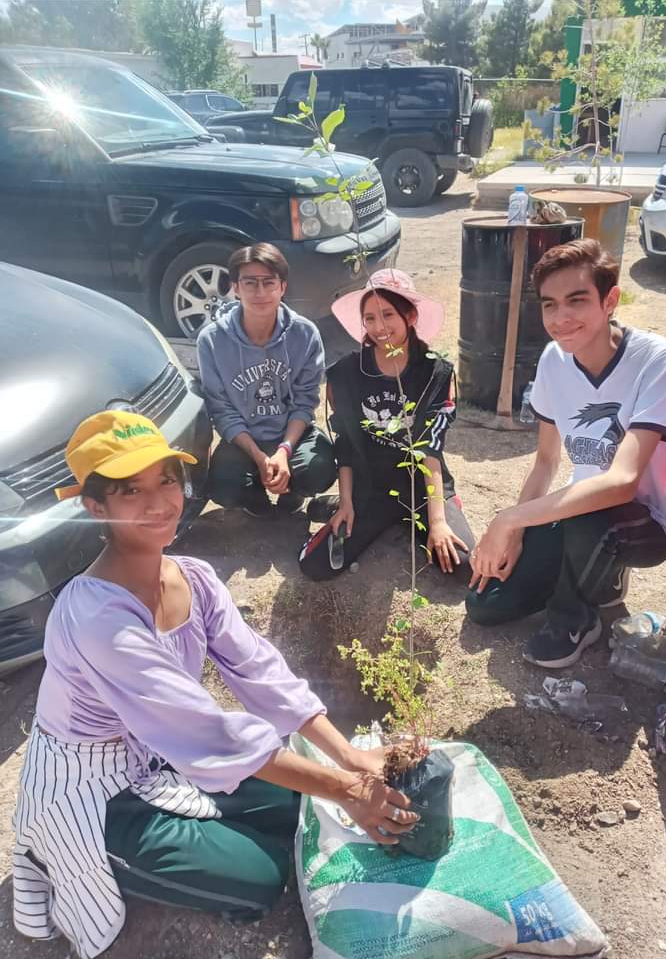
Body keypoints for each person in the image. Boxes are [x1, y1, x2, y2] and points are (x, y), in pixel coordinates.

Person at [12, 411, 417, 959]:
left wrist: (348, 758)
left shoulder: (193, 579)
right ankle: (72, 857)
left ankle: (212, 828)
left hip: (163, 755)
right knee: (258, 880)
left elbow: (258, 670)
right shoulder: (96, 618)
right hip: (95, 790)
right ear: (95, 507)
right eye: (132, 490)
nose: (160, 502)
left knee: (297, 811)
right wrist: (348, 790)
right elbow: (208, 734)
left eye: (167, 480)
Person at [466, 239, 666, 668]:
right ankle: (595, 578)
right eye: (550, 305)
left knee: (592, 509)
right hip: (580, 511)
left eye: (577, 300)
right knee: (485, 603)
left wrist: (509, 519)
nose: (561, 318)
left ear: (610, 300)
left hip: (645, 520)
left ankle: (577, 619)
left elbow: (623, 482)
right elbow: (547, 462)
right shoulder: (553, 360)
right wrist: (515, 535)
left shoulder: (660, 361)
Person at [298, 270, 474, 580]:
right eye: (369, 318)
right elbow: (347, 445)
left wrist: (437, 521)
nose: (379, 327)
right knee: (317, 566)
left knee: (460, 565)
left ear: (410, 315)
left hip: (421, 485)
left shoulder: (436, 373)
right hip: (371, 486)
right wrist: (349, 503)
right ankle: (341, 504)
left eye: (388, 314)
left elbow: (430, 449)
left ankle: (447, 505)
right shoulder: (346, 375)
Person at [197, 243, 336, 517]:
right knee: (225, 486)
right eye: (250, 283)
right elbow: (221, 409)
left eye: (268, 283)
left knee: (318, 468)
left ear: (282, 287)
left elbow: (305, 402)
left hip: (291, 435)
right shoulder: (212, 340)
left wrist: (284, 451)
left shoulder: (305, 334)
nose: (260, 293)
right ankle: (254, 500)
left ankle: (293, 493)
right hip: (244, 438)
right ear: (235, 287)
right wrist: (259, 457)